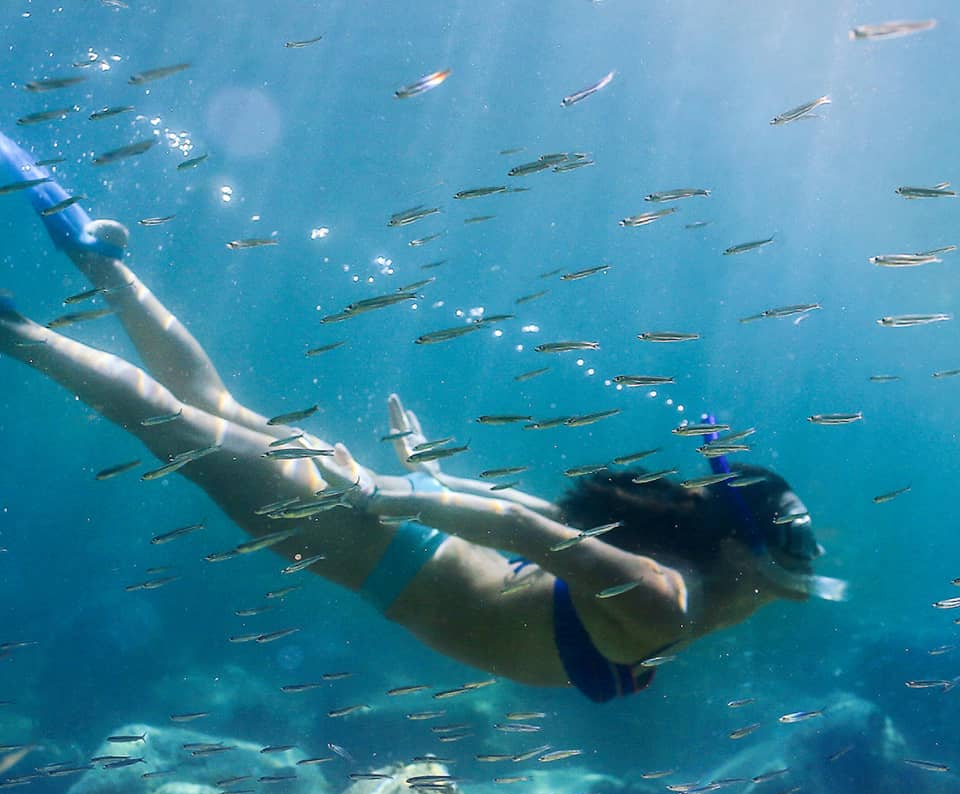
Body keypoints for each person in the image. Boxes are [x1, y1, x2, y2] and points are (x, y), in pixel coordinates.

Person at [0, 130, 845, 702]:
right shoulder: (664, 601)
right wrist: (387, 494)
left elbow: (533, 538)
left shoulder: (670, 597)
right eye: (777, 587)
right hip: (367, 532)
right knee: (170, 427)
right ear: (737, 552)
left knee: (210, 409)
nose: (774, 603)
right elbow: (523, 530)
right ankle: (13, 326)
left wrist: (422, 484)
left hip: (391, 519)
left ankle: (96, 258)